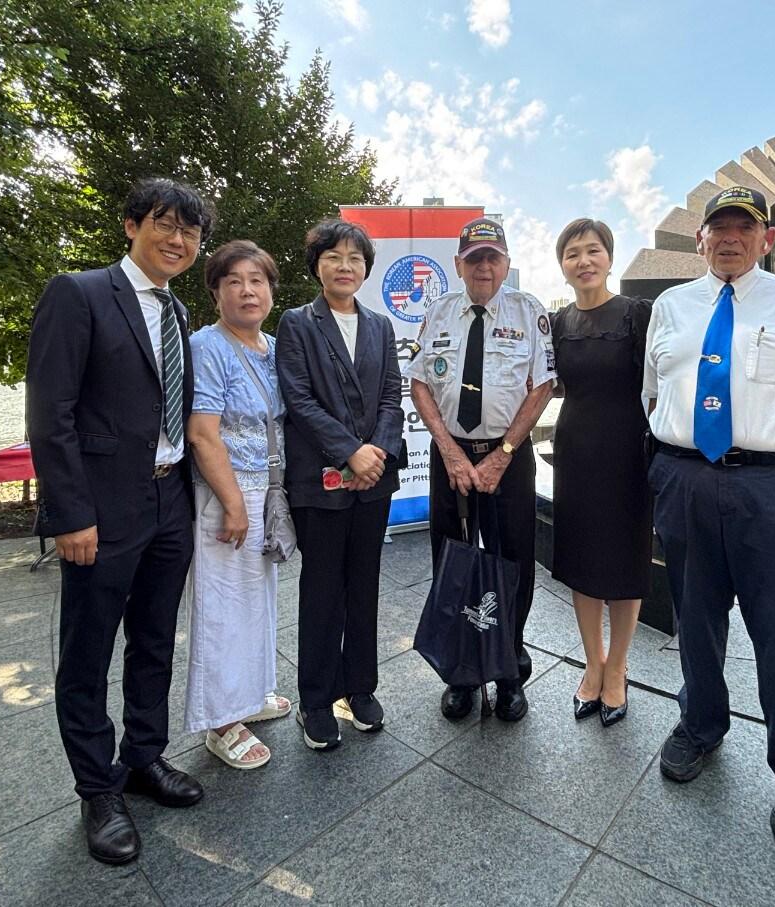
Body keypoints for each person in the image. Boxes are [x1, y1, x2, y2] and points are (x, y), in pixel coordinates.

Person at [26, 177, 214, 864]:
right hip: (101, 511)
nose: (178, 240)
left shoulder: (179, 313)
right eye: (165, 223)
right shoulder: (78, 295)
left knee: (156, 638)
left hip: (171, 500)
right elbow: (52, 416)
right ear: (131, 224)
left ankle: (143, 756)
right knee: (86, 652)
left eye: (191, 232)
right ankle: (97, 788)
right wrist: (71, 513)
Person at [644, 186, 775, 848]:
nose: (728, 238)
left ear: (767, 237)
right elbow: (652, 391)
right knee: (694, 619)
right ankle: (700, 724)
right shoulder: (670, 307)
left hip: (774, 486)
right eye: (717, 228)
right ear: (699, 240)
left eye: (742, 227)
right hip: (685, 477)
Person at [407, 217, 555, 722]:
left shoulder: (528, 311)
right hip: (451, 454)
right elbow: (420, 385)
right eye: (475, 259)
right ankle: (460, 671)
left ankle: (510, 664)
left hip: (508, 458)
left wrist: (503, 453)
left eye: (493, 258)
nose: (484, 267)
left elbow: (542, 387)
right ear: (459, 265)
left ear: (507, 263)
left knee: (514, 564)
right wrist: (450, 452)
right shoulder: (439, 312)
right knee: (452, 561)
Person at [276, 219, 404, 751]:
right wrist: (349, 451)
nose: (345, 265)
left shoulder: (379, 325)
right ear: (317, 266)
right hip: (319, 481)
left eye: (355, 257)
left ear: (366, 268)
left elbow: (393, 395)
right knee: (322, 589)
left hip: (372, 482)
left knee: (364, 586)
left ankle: (360, 687)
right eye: (334, 256)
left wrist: (374, 454)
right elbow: (298, 400)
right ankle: (315, 699)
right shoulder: (296, 324)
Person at [183, 240, 292, 770]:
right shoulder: (208, 346)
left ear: (271, 290)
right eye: (234, 281)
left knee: (260, 599)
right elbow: (203, 434)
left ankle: (250, 694)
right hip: (230, 491)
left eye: (257, 280)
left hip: (268, 490)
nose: (247, 290)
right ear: (216, 293)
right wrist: (232, 504)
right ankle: (221, 720)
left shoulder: (272, 347)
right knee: (223, 606)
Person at [550, 218, 652, 726]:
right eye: (573, 253)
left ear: (609, 257)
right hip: (576, 453)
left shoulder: (637, 315)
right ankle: (593, 663)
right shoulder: (559, 323)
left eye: (593, 251)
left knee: (625, 563)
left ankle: (619, 668)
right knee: (583, 562)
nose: (583, 261)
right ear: (562, 265)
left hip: (628, 453)